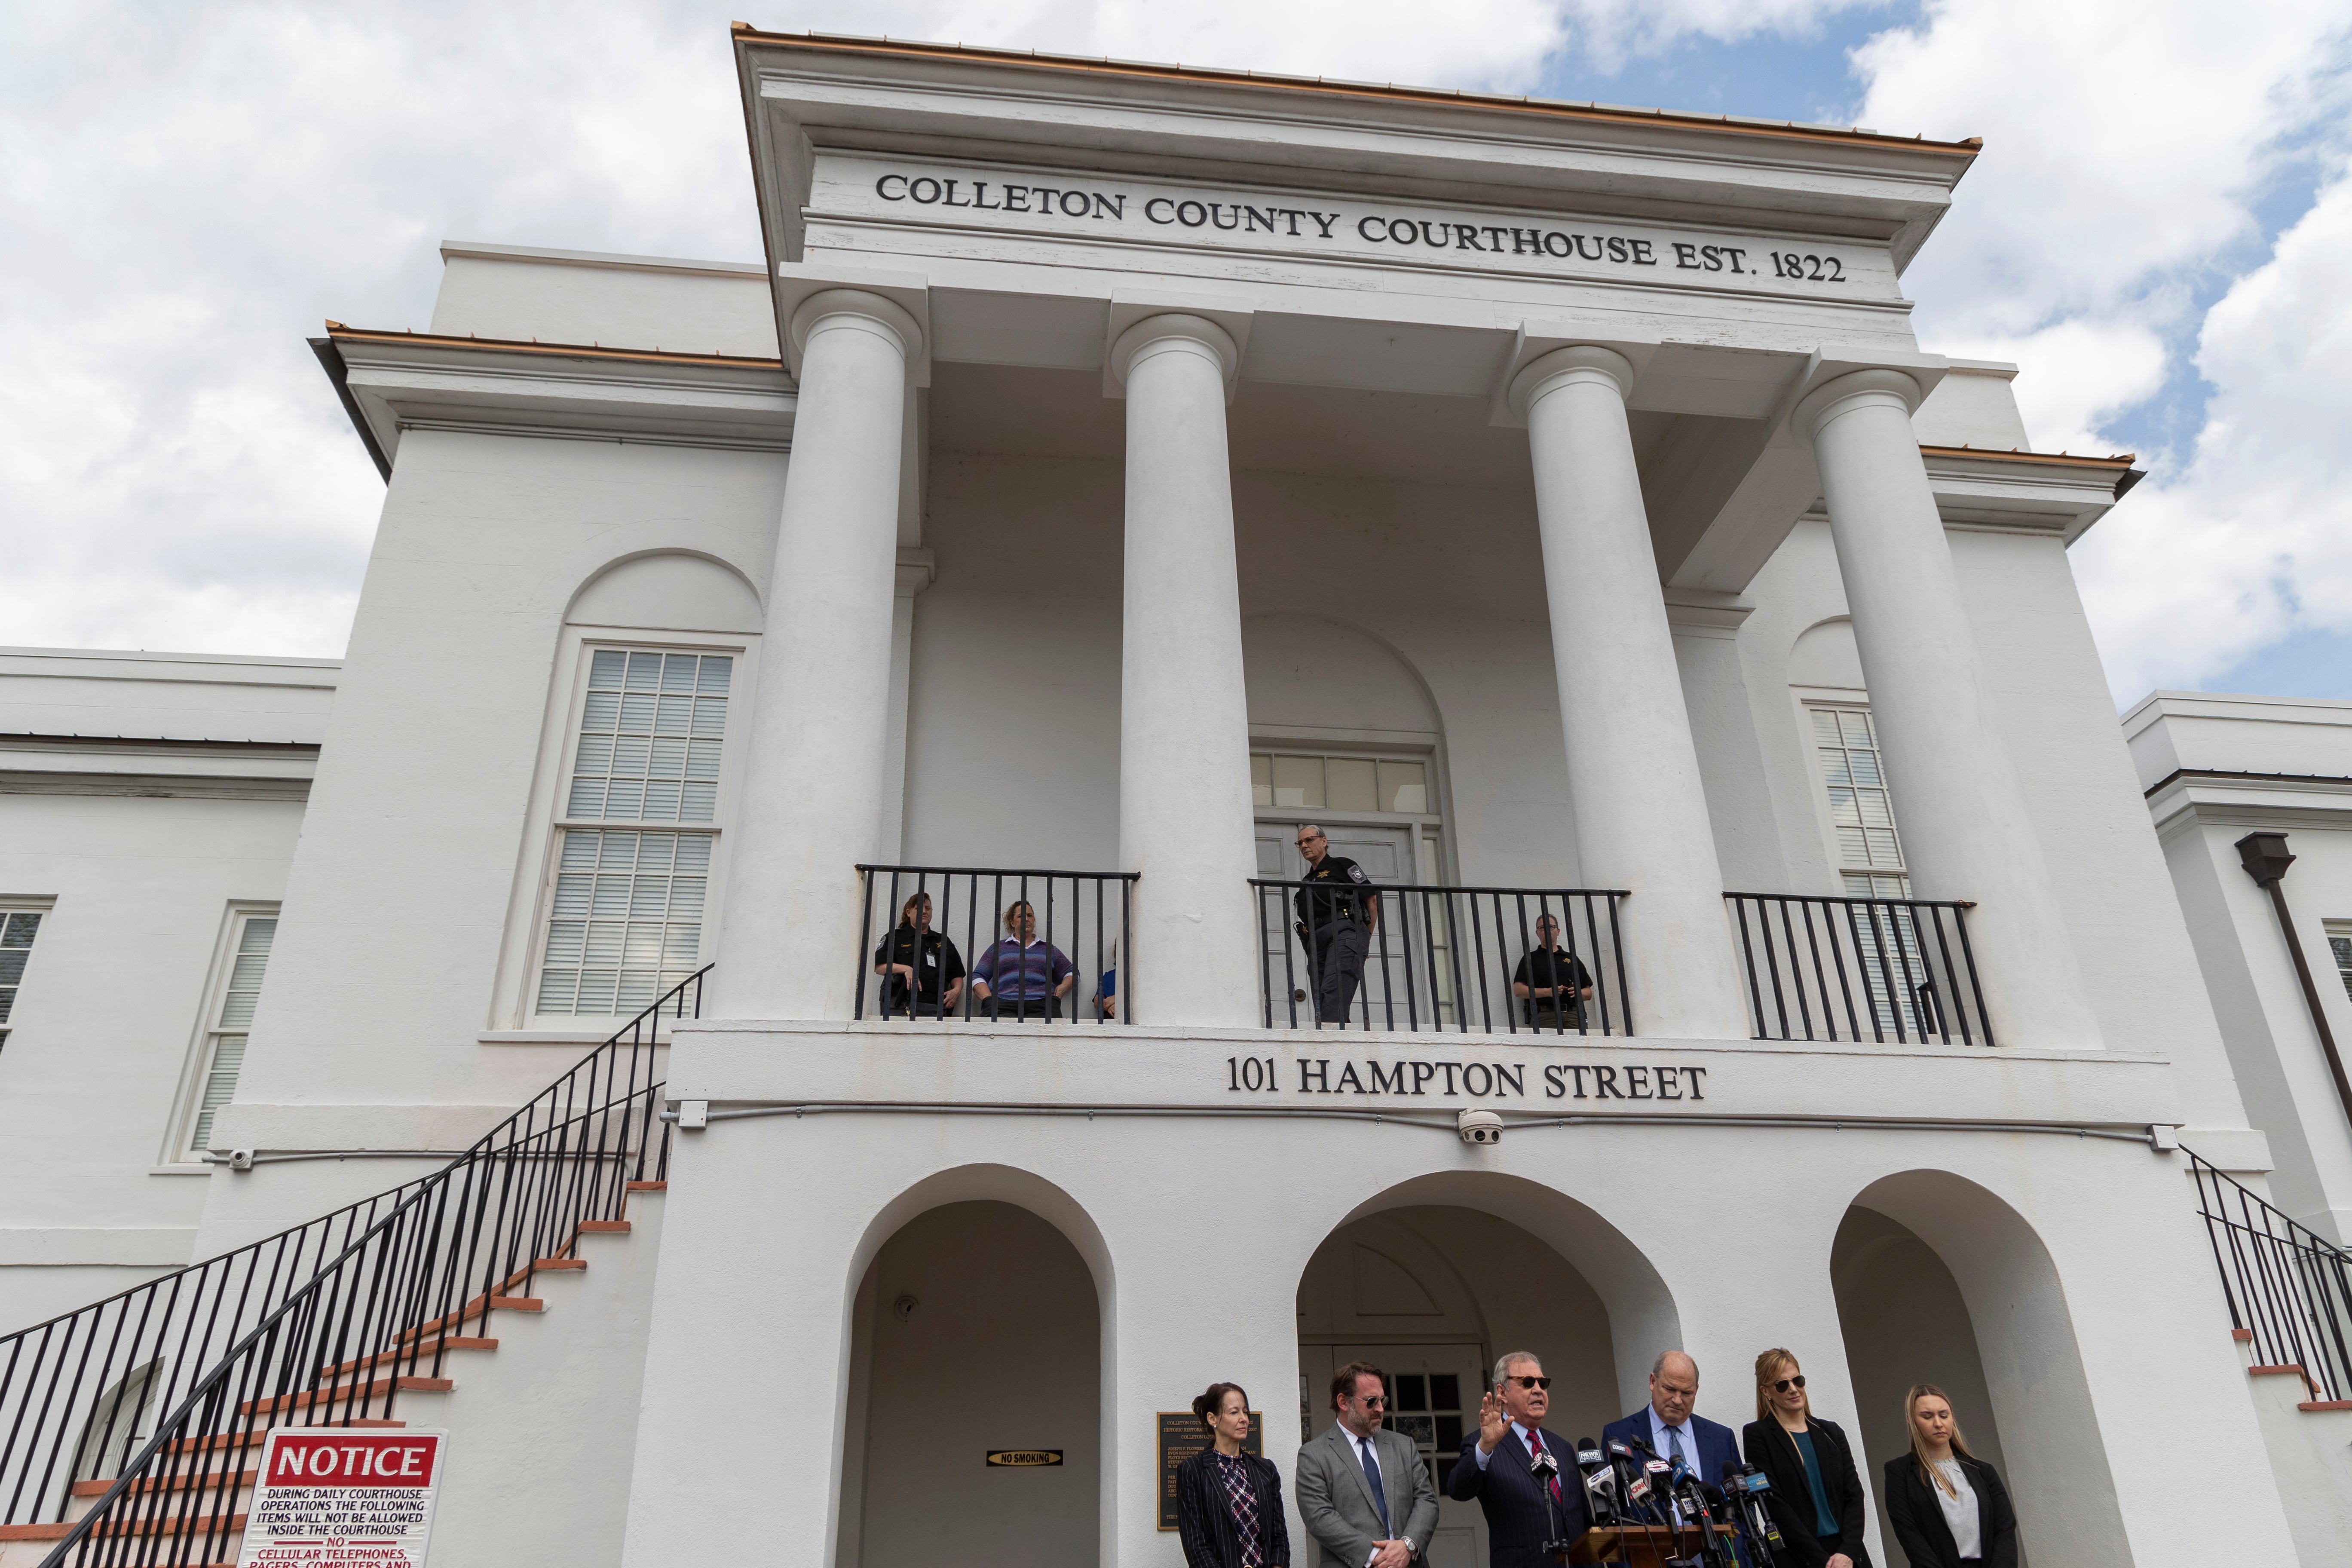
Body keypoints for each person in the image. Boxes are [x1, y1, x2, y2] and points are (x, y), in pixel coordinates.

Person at [1446, 1351, 1589, 1568]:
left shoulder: (1563, 1447)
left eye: (1543, 1383)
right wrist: (1485, 1448)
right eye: (1528, 1382)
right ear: (1502, 1392)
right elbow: (1458, 1490)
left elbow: (1582, 1518)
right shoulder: (1484, 1443)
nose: (1538, 1390)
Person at [1296, 1361, 1440, 1568]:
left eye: (1383, 1400)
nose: (1380, 1409)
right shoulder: (1314, 1455)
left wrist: (1408, 1545)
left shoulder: (1403, 1446)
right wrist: (1374, 1555)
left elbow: (1427, 1500)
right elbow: (1319, 1518)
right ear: (1344, 1402)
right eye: (1371, 1401)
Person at [1740, 1349, 1873, 1568]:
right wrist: (1823, 1562)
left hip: (1847, 1556)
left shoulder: (1831, 1432)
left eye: (1798, 1381)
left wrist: (1847, 1552)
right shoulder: (1758, 1436)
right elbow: (1774, 1504)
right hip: (1801, 1557)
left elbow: (1854, 1495)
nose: (1794, 1389)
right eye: (1782, 1385)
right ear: (1766, 1392)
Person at [1881, 1385, 2017, 1568]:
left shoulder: (1983, 1471)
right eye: (1927, 1417)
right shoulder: (1899, 1473)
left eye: (1944, 1415)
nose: (1938, 1423)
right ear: (1911, 1421)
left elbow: (2005, 1529)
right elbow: (1910, 1535)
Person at [1176, 1381, 1291, 1568]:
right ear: (1212, 1419)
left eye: (1245, 1412)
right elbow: (1195, 1545)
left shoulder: (1266, 1470)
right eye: (1234, 1412)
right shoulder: (1192, 1471)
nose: (1244, 1418)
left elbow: (1279, 1535)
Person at [1602, 1351, 1741, 1488]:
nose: (1677, 1400)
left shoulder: (1722, 1439)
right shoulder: (1619, 1436)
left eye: (1687, 1393)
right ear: (1653, 1382)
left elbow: (1744, 1504)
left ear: (1696, 1391)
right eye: (1670, 1389)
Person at [1293, 824, 1375, 1027]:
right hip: (1316, 941)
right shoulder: (1308, 879)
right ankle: (1342, 1042)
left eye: (1309, 840)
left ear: (1324, 841)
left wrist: (1365, 939)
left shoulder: (1342, 865)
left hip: (1345, 931)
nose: (1304, 846)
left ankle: (1330, 1049)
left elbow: (1371, 900)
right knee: (1322, 999)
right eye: (1300, 843)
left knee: (1334, 993)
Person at [968, 900, 1075, 1019]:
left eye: (1030, 916)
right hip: (1002, 1004)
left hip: (1043, 1005)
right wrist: (988, 1000)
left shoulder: (1048, 949)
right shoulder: (999, 948)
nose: (1027, 919)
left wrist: (1063, 988)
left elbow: (1072, 973)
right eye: (1021, 916)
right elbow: (978, 976)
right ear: (1012, 922)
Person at [870, 892, 965, 1017]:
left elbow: (957, 974)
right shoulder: (895, 937)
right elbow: (880, 967)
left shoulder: (943, 941)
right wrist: (906, 969)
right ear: (909, 913)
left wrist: (957, 990)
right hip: (901, 1006)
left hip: (935, 1007)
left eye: (928, 908)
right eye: (919, 908)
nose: (925, 912)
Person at [1512, 913, 1594, 1030]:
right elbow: (1519, 991)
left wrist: (1577, 992)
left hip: (1574, 1015)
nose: (1547, 930)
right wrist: (1548, 992)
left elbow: (1588, 993)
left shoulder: (1571, 959)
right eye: (1542, 928)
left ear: (1558, 931)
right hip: (1544, 1016)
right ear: (1537, 933)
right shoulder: (1530, 959)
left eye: (1551, 927)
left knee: (1577, 1047)